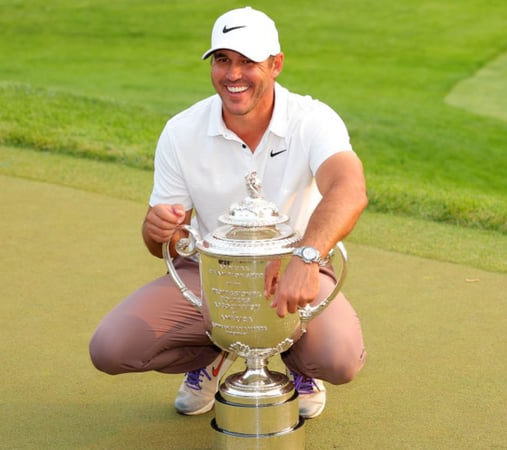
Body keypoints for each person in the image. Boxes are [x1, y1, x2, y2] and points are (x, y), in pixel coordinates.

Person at [89, 6, 367, 420]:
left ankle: (299, 366)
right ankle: (217, 350)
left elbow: (350, 189)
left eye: (247, 62)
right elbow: (164, 242)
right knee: (111, 348)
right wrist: (156, 230)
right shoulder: (181, 131)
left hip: (296, 269)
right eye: (222, 60)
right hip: (210, 272)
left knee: (338, 359)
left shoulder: (312, 119)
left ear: (276, 65)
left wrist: (307, 258)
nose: (232, 74)